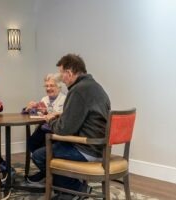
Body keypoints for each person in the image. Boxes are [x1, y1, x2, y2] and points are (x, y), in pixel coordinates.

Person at [29, 54, 111, 200]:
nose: (61, 78)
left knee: (39, 156)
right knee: (50, 148)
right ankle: (69, 189)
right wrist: (58, 117)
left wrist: (50, 120)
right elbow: (83, 118)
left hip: (86, 149)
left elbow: (64, 129)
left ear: (69, 73)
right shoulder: (95, 87)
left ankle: (76, 189)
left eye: (61, 74)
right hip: (100, 147)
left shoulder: (78, 90)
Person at [22, 73, 66, 156]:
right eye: (46, 86)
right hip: (43, 130)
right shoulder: (44, 99)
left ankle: (46, 165)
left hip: (55, 132)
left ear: (59, 87)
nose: (48, 88)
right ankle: (44, 165)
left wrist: (50, 113)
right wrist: (28, 109)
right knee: (31, 143)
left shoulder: (65, 99)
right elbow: (36, 114)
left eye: (52, 85)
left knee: (41, 151)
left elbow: (65, 117)